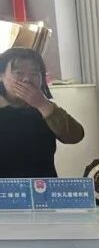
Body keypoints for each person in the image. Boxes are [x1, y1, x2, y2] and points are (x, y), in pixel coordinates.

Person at [0, 47, 84, 178]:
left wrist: (42, 104)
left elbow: (75, 136)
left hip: (42, 187)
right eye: (18, 73)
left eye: (35, 74)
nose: (27, 79)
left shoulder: (45, 108)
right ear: (1, 75)